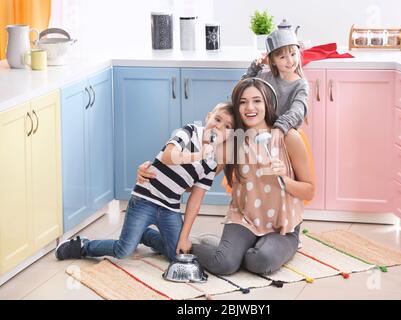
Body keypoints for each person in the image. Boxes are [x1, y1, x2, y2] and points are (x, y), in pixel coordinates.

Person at [55, 102, 235, 262]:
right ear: (208, 117)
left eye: (227, 126)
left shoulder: (212, 162)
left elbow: (196, 199)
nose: (219, 127)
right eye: (217, 119)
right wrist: (198, 155)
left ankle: (145, 235)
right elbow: (167, 156)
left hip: (169, 208)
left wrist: (184, 237)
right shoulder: (189, 131)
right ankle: (83, 246)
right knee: (123, 250)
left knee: (177, 254)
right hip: (144, 199)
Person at [191, 78, 315, 275]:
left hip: (282, 228)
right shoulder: (234, 141)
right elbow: (202, 176)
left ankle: (244, 250)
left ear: (268, 103)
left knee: (261, 261)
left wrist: (285, 178)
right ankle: (181, 244)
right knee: (224, 264)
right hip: (244, 220)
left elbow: (309, 190)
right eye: (242, 102)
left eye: (257, 101)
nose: (250, 107)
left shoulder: (289, 138)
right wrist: (158, 174)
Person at [242, 28, 309, 134]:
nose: (290, 61)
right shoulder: (265, 78)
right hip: (263, 132)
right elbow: (243, 88)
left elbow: (298, 111)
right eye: (282, 57)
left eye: (293, 54)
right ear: (272, 61)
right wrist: (255, 67)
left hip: (286, 133)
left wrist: (280, 127)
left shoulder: (301, 85)